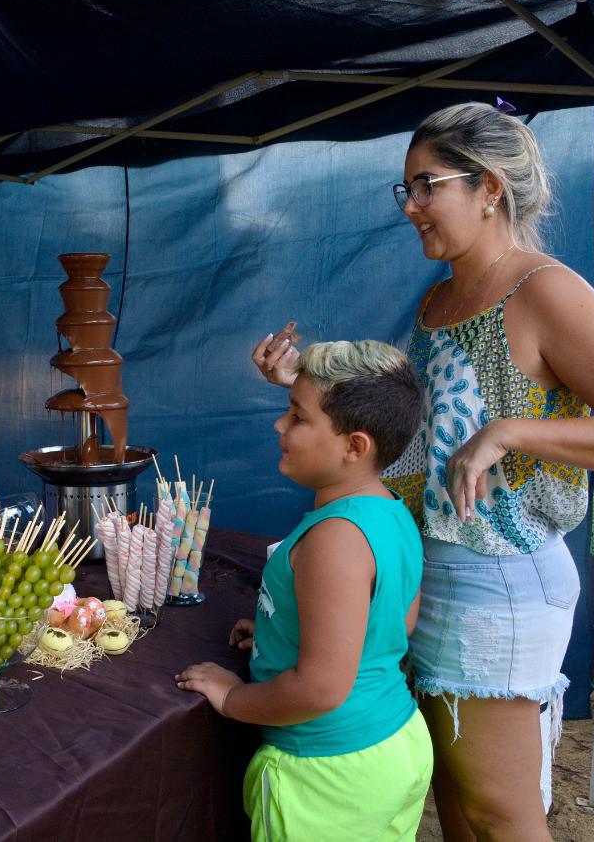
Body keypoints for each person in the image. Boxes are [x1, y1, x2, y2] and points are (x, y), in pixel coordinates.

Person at [254, 102, 594, 841]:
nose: (410, 207)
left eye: (425, 186)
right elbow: (410, 430)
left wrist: (508, 432)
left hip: (500, 580)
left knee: (500, 814)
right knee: (456, 807)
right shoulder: (439, 299)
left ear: (489, 188)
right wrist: (302, 385)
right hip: (432, 570)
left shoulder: (545, 289)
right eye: (404, 190)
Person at [178, 340, 430, 841]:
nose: (280, 426)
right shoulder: (393, 512)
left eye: (298, 417)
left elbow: (320, 689)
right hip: (398, 742)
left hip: (326, 773)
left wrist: (233, 698)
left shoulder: (334, 538)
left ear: (354, 446)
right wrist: (288, 626)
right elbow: (396, 620)